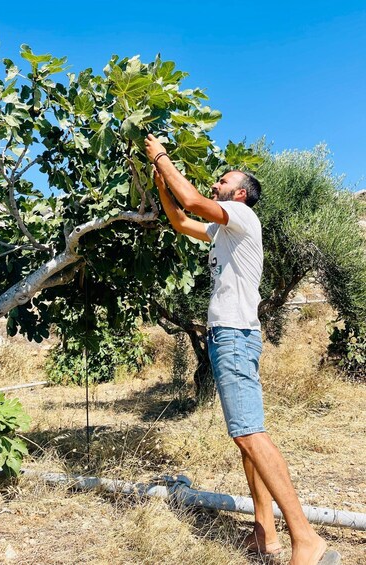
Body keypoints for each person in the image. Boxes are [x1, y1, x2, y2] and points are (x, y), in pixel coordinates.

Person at [144, 133, 340, 565]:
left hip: (233, 335)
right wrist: (160, 178)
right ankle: (264, 534)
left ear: (239, 193)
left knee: (250, 434)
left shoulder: (240, 216)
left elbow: (193, 202)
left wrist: (161, 154)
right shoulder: (222, 229)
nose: (215, 184)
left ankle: (306, 539)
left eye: (223, 181)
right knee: (245, 438)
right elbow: (181, 221)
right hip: (228, 336)